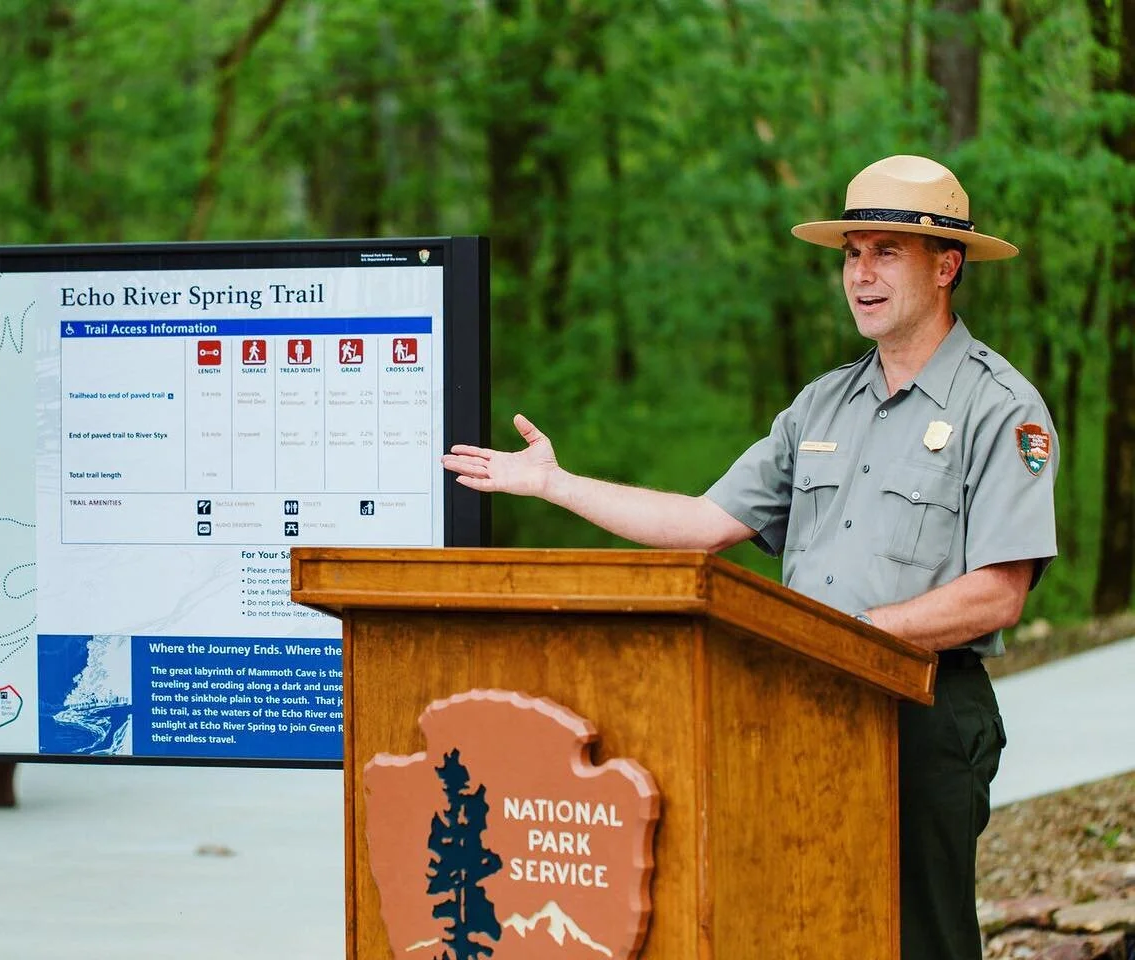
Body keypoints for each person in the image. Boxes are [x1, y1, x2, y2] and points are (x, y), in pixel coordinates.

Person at [441, 154, 1058, 960]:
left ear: (946, 266)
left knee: (920, 941)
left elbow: (999, 594)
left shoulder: (1000, 406)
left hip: (924, 716)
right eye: (851, 253)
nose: (861, 275)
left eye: (886, 253)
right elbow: (703, 521)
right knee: (798, 923)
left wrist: (851, 634)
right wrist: (557, 485)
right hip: (795, 711)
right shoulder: (821, 404)